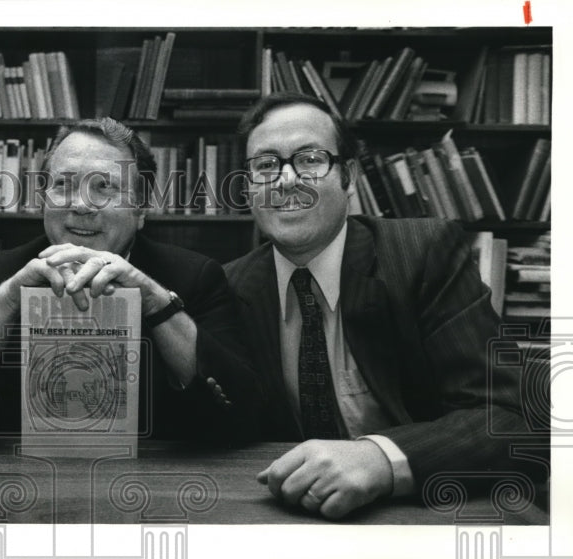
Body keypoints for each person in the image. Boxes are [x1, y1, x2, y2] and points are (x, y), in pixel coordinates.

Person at [224, 92, 541, 519]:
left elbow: (506, 419)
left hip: (425, 510)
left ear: (349, 177)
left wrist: (382, 459)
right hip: (294, 512)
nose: (285, 180)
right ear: (247, 188)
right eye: (265, 165)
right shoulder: (231, 285)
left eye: (310, 159)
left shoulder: (423, 253)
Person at [0, 118, 261, 441]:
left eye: (103, 188)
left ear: (140, 210)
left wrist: (157, 304)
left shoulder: (193, 277)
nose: (80, 205)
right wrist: (6, 302)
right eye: (63, 184)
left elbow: (242, 416)